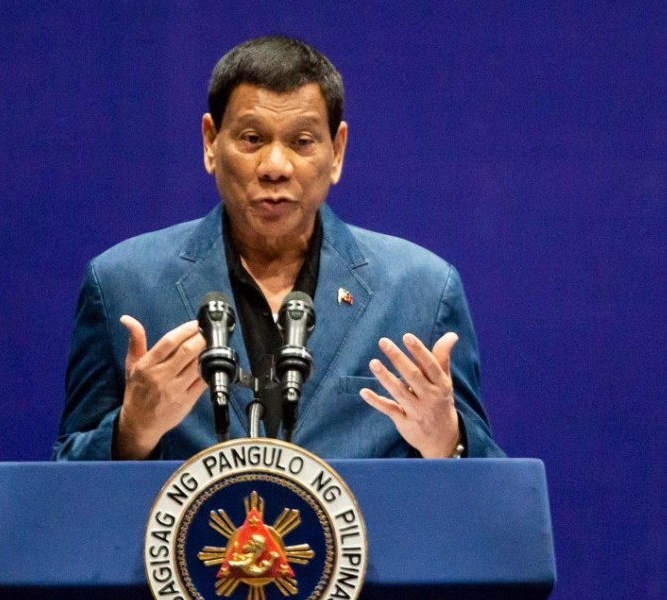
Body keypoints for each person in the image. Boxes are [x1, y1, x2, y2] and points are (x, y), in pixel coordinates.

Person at [54, 36, 503, 461]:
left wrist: (447, 440)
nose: (275, 166)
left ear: (337, 151)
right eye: (252, 139)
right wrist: (132, 430)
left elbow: (492, 494)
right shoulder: (122, 287)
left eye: (301, 142)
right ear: (210, 142)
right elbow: (63, 489)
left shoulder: (421, 292)